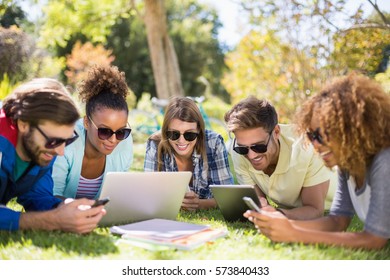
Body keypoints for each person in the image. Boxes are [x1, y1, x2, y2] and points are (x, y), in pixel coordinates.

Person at [245, 73, 390, 249]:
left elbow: (374, 240)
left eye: (322, 134)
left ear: (353, 129)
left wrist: (295, 234)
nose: (314, 144)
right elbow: (337, 221)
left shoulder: (384, 161)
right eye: (311, 135)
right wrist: (283, 223)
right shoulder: (348, 165)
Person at [0, 78, 105, 233]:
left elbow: (36, 196)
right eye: (54, 141)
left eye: (67, 140)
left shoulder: (42, 148)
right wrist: (53, 220)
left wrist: (63, 207)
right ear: (23, 124)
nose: (60, 151)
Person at [224, 97, 336, 220]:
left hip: (333, 203)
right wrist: (260, 208)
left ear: (276, 132)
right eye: (243, 148)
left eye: (259, 146)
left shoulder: (307, 147)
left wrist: (277, 214)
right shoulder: (239, 152)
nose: (251, 155)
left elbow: (315, 210)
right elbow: (257, 204)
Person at [53, 65, 133, 200]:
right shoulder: (66, 141)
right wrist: (87, 209)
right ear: (86, 122)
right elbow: (52, 196)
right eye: (105, 131)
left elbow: (117, 196)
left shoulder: (125, 143)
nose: (114, 140)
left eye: (121, 132)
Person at [144, 96, 233, 210]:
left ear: (199, 130)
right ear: (166, 131)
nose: (181, 141)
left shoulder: (213, 143)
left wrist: (198, 204)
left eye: (189, 134)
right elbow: (148, 194)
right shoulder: (155, 144)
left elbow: (227, 197)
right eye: (174, 134)